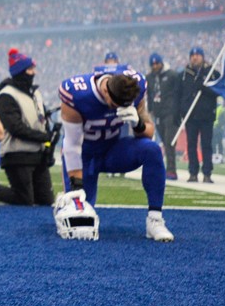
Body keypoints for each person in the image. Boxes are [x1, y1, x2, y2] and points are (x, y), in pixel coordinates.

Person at [58, 65, 174, 241]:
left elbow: (148, 132)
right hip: (84, 156)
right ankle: (66, 199)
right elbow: (72, 145)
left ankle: (155, 220)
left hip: (113, 150)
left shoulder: (136, 87)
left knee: (152, 150)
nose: (115, 109)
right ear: (105, 90)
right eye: (114, 104)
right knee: (81, 224)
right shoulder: (77, 94)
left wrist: (138, 124)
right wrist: (75, 187)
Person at [0, 49, 55, 206]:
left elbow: (42, 120)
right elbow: (15, 128)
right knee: (24, 199)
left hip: (38, 153)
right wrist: (44, 137)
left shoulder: (36, 93)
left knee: (46, 200)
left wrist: (48, 143)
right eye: (30, 70)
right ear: (20, 71)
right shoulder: (6, 96)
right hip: (16, 154)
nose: (33, 73)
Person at [176, 46, 219, 183]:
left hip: (206, 115)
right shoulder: (184, 74)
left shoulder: (211, 73)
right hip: (190, 115)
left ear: (202, 56)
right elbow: (179, 94)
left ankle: (207, 173)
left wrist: (204, 87)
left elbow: (217, 91)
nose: (195, 57)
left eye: (198, 55)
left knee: (206, 144)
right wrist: (181, 110)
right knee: (191, 145)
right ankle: (193, 172)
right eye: (192, 55)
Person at [145, 52, 180, 180]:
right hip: (158, 113)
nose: (155, 66)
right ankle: (164, 169)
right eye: (153, 64)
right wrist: (150, 111)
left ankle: (171, 170)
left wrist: (177, 112)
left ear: (161, 63)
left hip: (170, 113)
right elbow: (149, 95)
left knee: (169, 142)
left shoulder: (172, 75)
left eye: (157, 63)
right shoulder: (149, 77)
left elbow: (177, 94)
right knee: (164, 142)